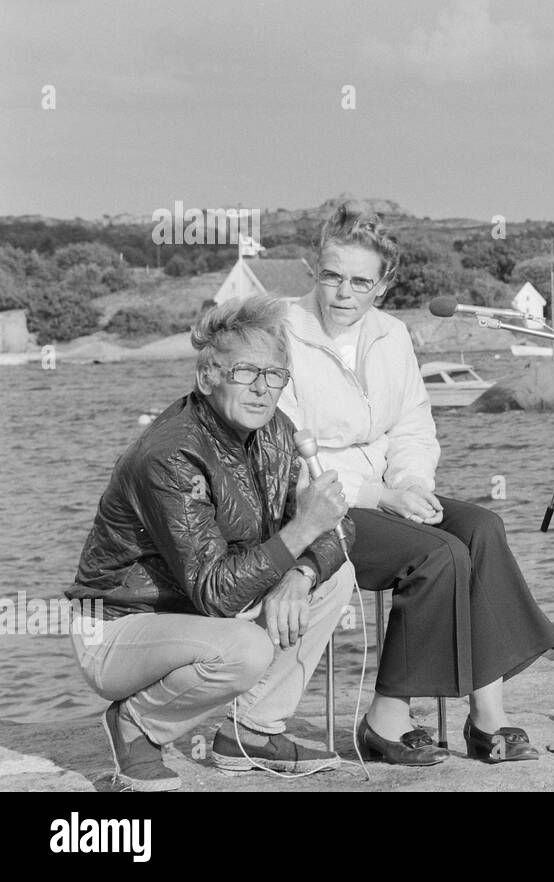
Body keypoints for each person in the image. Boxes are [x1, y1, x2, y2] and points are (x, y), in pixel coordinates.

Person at [277, 206, 554, 765]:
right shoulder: (283, 330)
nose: (343, 293)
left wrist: (410, 486)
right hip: (311, 505)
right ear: (316, 270)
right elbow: (284, 451)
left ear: (382, 287)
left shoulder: (391, 334)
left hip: (386, 491)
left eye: (361, 282)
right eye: (333, 276)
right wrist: (381, 496)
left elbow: (413, 424)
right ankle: (385, 718)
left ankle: (487, 715)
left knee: (482, 527)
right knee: (440, 555)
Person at [66, 296, 355, 791]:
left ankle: (252, 732)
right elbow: (215, 593)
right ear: (207, 378)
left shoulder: (276, 432)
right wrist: (302, 530)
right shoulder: (169, 455)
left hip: (200, 619)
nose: (263, 389)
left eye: (275, 374)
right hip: (119, 627)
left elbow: (340, 529)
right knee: (244, 649)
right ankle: (135, 725)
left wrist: (298, 574)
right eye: (246, 372)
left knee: (332, 576)